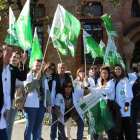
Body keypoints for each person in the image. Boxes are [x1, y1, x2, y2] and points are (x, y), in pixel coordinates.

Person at [2, 44, 27, 138]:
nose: (9, 52)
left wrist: (24, 63)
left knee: (8, 121)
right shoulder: (2, 66)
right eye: (7, 50)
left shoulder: (13, 68)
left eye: (10, 51)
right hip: (2, 99)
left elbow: (23, 77)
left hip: (11, 99)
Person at [24, 59, 51, 140]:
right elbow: (28, 88)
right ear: (32, 66)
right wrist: (36, 79)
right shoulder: (29, 76)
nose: (38, 67)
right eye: (36, 65)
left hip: (41, 105)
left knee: (38, 127)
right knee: (30, 127)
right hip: (31, 105)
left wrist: (48, 105)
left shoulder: (44, 77)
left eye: (40, 66)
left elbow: (47, 92)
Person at [6, 52, 24, 140]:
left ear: (19, 60)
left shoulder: (17, 69)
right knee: (5, 121)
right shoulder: (6, 67)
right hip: (7, 98)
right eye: (14, 57)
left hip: (15, 99)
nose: (15, 59)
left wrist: (24, 63)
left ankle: (8, 138)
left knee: (10, 121)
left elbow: (23, 78)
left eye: (17, 58)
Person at [50, 63, 71, 140]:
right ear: (57, 69)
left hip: (65, 103)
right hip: (56, 102)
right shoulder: (54, 77)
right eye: (60, 68)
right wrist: (52, 106)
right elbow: (52, 91)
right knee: (54, 121)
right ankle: (52, 137)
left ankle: (60, 138)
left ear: (65, 69)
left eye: (63, 68)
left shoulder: (68, 77)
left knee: (61, 122)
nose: (62, 69)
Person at [73, 67, 95, 140]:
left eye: (83, 71)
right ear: (78, 72)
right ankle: (80, 133)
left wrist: (86, 84)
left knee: (89, 118)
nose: (82, 72)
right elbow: (73, 90)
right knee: (80, 119)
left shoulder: (89, 80)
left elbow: (91, 90)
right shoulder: (75, 80)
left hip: (87, 101)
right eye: (80, 71)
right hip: (79, 102)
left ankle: (89, 135)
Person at [114, 64, 133, 140]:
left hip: (124, 108)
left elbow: (128, 93)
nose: (117, 71)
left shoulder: (125, 80)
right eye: (116, 69)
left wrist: (127, 104)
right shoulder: (114, 80)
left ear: (122, 70)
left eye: (119, 69)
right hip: (117, 108)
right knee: (119, 129)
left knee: (127, 128)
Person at [40, 62, 56, 140]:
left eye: (52, 69)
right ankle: (37, 136)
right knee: (39, 121)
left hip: (48, 102)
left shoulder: (53, 79)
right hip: (40, 100)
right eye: (49, 68)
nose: (50, 70)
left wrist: (50, 105)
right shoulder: (41, 76)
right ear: (45, 68)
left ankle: (38, 135)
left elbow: (52, 93)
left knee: (42, 120)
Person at [0, 45, 10, 140]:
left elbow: (6, 89)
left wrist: (7, 107)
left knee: (3, 136)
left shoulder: (3, 69)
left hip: (1, 107)